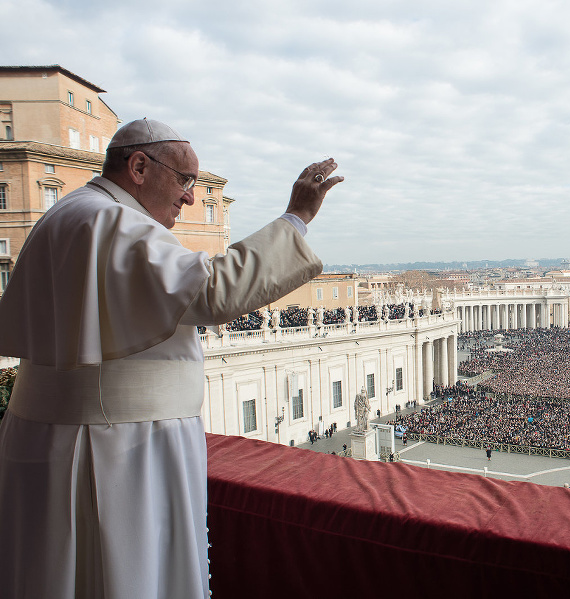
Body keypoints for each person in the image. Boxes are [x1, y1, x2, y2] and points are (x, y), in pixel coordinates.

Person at [0, 118, 342, 599]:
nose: (189, 198)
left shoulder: (70, 214)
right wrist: (296, 218)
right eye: (185, 181)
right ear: (139, 166)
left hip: (67, 436)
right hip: (118, 448)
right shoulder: (110, 220)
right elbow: (214, 291)